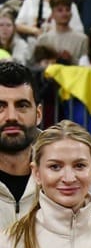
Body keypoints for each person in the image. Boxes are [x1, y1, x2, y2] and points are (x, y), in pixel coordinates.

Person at [0, 61, 40, 227]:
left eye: (22, 106)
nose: (11, 117)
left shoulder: (62, 177)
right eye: (0, 106)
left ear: (38, 114)